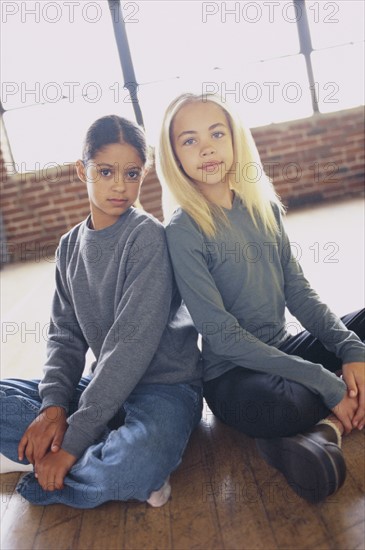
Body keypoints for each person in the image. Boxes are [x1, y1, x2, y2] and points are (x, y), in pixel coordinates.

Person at [155, 92, 365, 503]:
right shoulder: (183, 230)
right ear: (174, 156)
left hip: (282, 348)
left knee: (359, 334)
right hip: (234, 377)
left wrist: (350, 348)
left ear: (235, 139)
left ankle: (323, 430)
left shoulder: (261, 206)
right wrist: (327, 381)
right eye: (190, 140)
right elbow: (224, 337)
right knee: (285, 403)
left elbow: (298, 292)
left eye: (217, 133)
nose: (207, 148)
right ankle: (310, 420)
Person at [0, 115, 202, 509]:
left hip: (164, 389)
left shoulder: (147, 238)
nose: (119, 186)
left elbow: (130, 346)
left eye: (131, 173)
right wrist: (55, 408)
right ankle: (92, 462)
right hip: (100, 389)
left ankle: (59, 466)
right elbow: (65, 337)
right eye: (106, 171)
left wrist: (71, 443)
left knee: (137, 461)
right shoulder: (69, 247)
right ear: (82, 170)